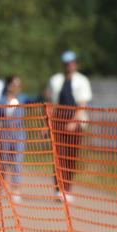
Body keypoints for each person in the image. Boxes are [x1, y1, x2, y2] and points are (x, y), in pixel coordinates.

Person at [45, 50, 92, 201]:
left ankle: (68, 188)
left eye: (71, 63)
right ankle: (59, 189)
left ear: (75, 64)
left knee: (71, 156)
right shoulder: (55, 80)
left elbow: (83, 104)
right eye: (66, 63)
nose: (69, 66)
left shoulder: (82, 81)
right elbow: (51, 103)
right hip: (58, 121)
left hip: (75, 123)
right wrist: (48, 123)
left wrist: (74, 121)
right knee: (58, 156)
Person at [0, 75, 27, 199]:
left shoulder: (22, 98)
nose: (16, 87)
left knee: (17, 163)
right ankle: (1, 186)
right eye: (14, 84)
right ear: (8, 85)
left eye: (18, 85)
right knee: (3, 162)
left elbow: (37, 99)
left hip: (19, 134)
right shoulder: (1, 100)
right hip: (4, 135)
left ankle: (15, 189)